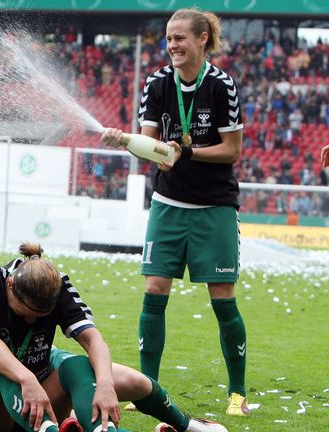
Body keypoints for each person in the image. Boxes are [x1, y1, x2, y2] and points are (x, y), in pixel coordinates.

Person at [101, 8, 247, 417]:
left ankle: (237, 393)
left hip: (214, 207)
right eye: (168, 39)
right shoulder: (156, 83)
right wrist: (126, 141)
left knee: (222, 297)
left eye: (180, 38)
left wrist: (186, 153)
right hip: (167, 205)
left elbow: (232, 151)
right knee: (153, 291)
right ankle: (147, 389)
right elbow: (149, 145)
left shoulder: (222, 86)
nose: (173, 46)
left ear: (202, 39)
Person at [0, 243, 228, 432]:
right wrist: (27, 378)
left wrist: (104, 385)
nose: (31, 320)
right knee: (3, 366)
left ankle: (187, 425)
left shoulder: (58, 284)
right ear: (10, 286)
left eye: (41, 316)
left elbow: (94, 340)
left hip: (37, 385)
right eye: (26, 313)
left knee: (122, 378)